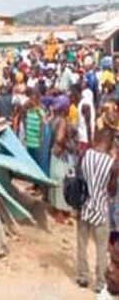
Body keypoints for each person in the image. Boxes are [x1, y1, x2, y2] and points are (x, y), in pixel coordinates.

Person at [77, 117, 118, 293]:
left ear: (98, 139)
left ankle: (82, 276)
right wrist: (115, 175)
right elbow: (112, 192)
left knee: (82, 243)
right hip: (100, 209)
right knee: (101, 248)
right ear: (109, 143)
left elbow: (79, 178)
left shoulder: (85, 155)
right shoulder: (111, 164)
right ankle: (100, 282)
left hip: (84, 206)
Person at [48, 95, 73, 223]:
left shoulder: (54, 119)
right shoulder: (63, 120)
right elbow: (59, 138)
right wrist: (67, 146)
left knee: (57, 180)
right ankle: (60, 213)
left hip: (54, 153)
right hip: (61, 154)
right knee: (63, 182)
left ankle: (59, 210)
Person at [78, 88, 96, 152]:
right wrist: (90, 139)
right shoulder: (87, 103)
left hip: (82, 135)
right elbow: (87, 122)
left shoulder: (81, 103)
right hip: (86, 137)